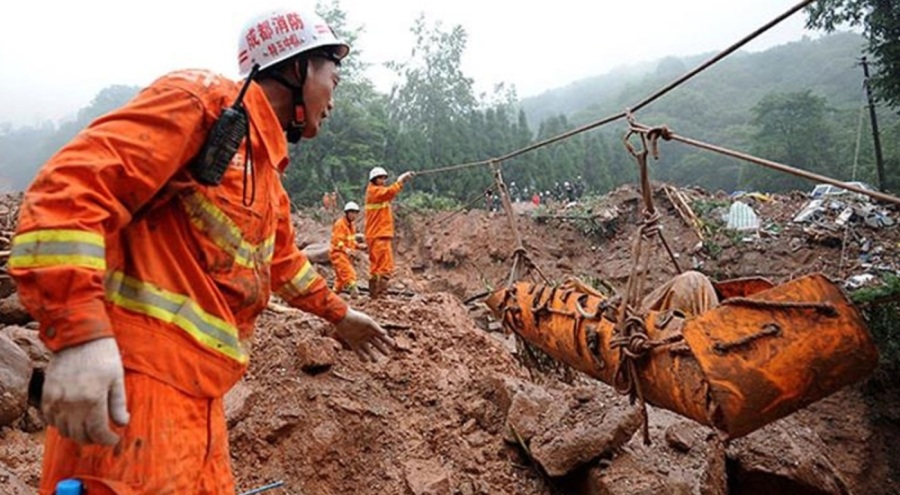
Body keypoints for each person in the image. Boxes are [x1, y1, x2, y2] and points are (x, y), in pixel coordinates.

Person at [9, 8, 394, 495]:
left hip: (201, 403)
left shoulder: (265, 175)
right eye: (332, 78)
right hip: (136, 392)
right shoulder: (201, 104)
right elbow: (69, 192)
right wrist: (80, 337)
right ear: (297, 68)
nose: (334, 98)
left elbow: (283, 264)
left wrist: (339, 315)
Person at [365, 166, 414, 298]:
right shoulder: (375, 192)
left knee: (375, 268)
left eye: (384, 178)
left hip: (374, 235)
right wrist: (401, 180)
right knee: (385, 267)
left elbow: (388, 193)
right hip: (379, 235)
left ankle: (374, 296)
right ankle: (381, 296)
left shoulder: (374, 192)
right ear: (374, 179)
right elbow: (390, 192)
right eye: (380, 178)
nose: (383, 180)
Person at [330, 201, 365, 297]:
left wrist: (358, 246)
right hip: (338, 254)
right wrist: (346, 250)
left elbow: (351, 240)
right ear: (347, 213)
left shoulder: (351, 226)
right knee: (350, 274)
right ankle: (355, 293)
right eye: (352, 213)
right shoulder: (340, 224)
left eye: (355, 213)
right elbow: (338, 241)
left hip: (346, 255)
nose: (354, 215)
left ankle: (333, 295)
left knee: (340, 280)